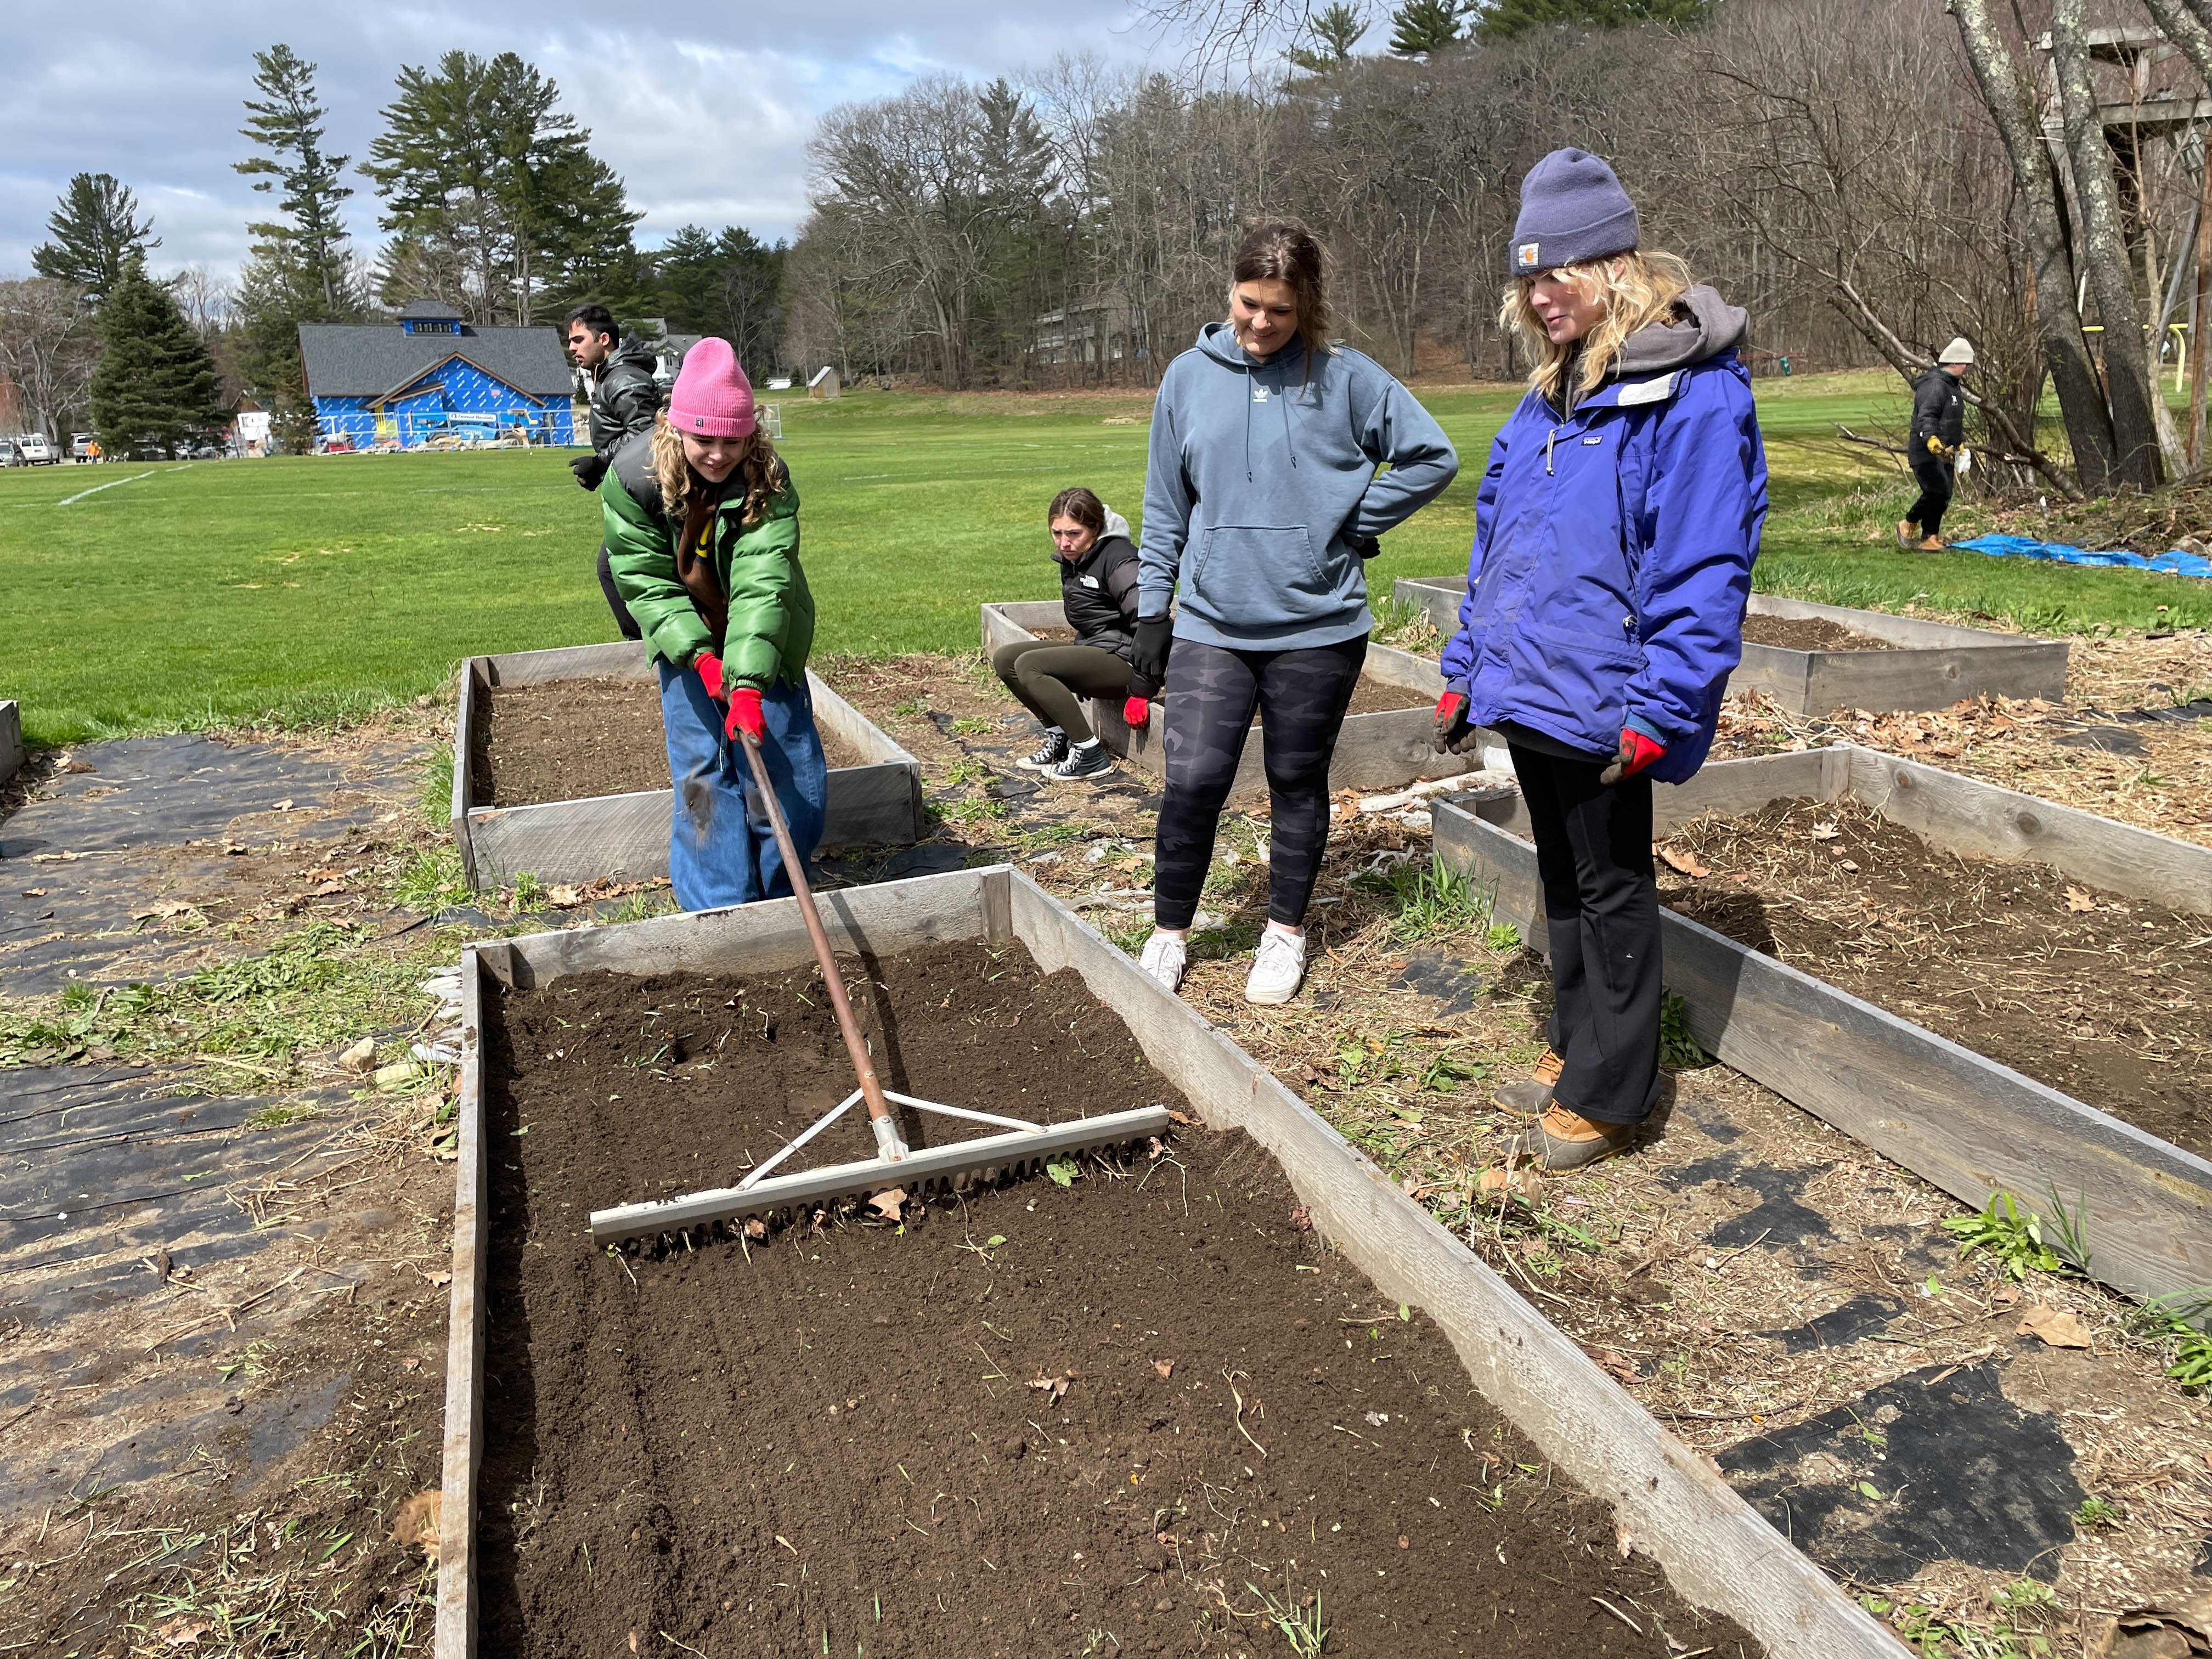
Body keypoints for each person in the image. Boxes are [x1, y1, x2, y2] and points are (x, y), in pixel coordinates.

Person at [1432, 147, 1767, 1170]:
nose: (1539, 297)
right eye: (1526, 280)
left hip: (1609, 695)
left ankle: (1615, 1085)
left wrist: (1662, 701)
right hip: (1532, 682)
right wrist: (1466, 660)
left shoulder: (1693, 395)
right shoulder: (1550, 396)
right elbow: (1500, 544)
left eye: (1557, 274)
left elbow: (1704, 565)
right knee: (1565, 876)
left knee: (1613, 880)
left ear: (1617, 264)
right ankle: (1578, 1040)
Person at [1131, 219, 1460, 1006]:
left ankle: (1284, 933)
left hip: (1317, 624)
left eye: (1280, 310)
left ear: (1305, 304)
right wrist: (1153, 609)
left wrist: (1354, 523)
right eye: (1249, 304)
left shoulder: (1346, 379)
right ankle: (1169, 932)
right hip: (1213, 619)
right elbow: (1164, 502)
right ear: (1231, 293)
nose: (1261, 323)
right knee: (1194, 781)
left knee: (1295, 778)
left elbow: (1432, 455)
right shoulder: (1187, 377)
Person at [601, 338, 827, 911]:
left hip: (764, 630)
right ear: (676, 430)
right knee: (703, 771)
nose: (719, 454)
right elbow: (646, 581)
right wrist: (699, 656)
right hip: (683, 636)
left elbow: (764, 581)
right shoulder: (633, 478)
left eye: (733, 439)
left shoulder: (766, 478)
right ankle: (719, 911)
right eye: (705, 439)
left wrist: (748, 684)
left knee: (789, 775)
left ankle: (781, 900)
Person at [992, 488, 1157, 780]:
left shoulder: (1120, 559)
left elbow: (1152, 622)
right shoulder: (1077, 556)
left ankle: (1091, 754)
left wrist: (1143, 688)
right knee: (1007, 658)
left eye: (1074, 533)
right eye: (1057, 533)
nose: (1064, 543)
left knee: (1031, 665)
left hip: (1126, 661)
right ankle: (1063, 740)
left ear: (1095, 528)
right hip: (1096, 648)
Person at [566, 302, 666, 639]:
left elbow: (645, 435)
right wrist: (600, 469)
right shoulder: (609, 375)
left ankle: (651, 649)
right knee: (616, 569)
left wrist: (600, 462)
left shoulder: (624, 377)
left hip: (651, 492)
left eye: (578, 340)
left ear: (604, 339)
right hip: (633, 489)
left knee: (613, 569)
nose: (572, 348)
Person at [1901, 338, 1972, 550]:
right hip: (1925, 451)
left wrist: (1958, 446)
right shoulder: (1935, 386)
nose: (1968, 368)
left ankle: (1930, 537)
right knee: (1936, 492)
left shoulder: (1952, 387)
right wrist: (1931, 439)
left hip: (1945, 453)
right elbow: (1927, 416)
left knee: (1944, 496)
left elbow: (1951, 423)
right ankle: (1908, 522)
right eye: (1966, 364)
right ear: (1954, 362)